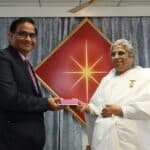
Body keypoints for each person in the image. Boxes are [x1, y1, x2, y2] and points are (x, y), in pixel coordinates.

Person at [0, 17, 63, 150]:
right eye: (23, 34)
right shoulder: (3, 58)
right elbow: (9, 98)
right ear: (10, 36)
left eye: (32, 35)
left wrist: (49, 102)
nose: (28, 39)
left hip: (30, 141)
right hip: (13, 142)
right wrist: (46, 103)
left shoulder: (25, 62)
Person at [78, 39, 150, 150]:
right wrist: (88, 107)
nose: (116, 56)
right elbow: (98, 107)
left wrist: (121, 110)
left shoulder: (145, 76)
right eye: (113, 54)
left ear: (131, 56)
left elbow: (147, 106)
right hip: (104, 140)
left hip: (131, 141)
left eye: (121, 53)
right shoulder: (107, 79)